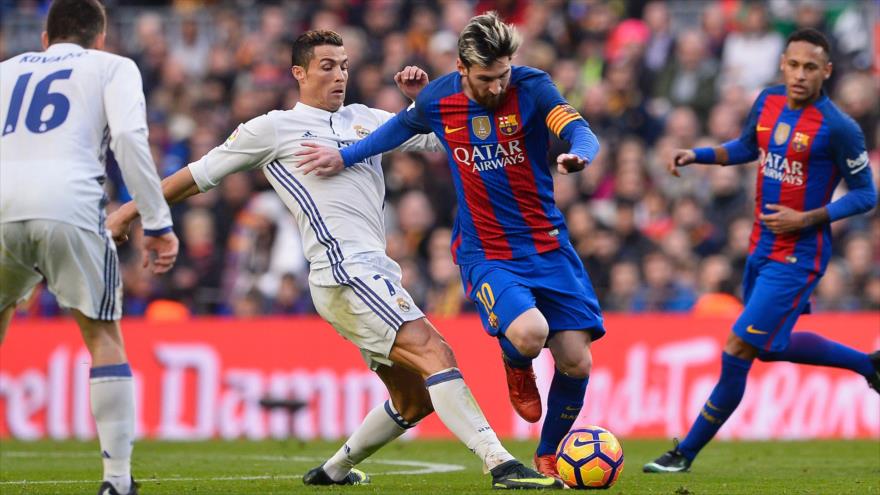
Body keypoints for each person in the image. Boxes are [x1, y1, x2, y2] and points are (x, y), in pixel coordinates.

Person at [107, 30, 562, 490]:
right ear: (298, 73)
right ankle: (500, 464)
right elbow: (197, 175)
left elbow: (444, 139)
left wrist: (422, 102)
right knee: (436, 353)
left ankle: (332, 472)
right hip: (343, 271)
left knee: (413, 400)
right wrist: (129, 212)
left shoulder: (366, 119)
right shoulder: (273, 128)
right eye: (327, 66)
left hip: (374, 272)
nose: (339, 74)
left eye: (343, 65)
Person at [297, 12, 604, 479]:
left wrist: (578, 152)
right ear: (461, 69)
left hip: (547, 245)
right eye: (486, 78)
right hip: (488, 251)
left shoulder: (533, 86)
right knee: (529, 332)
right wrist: (344, 156)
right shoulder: (440, 98)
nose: (497, 86)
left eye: (503, 74)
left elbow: (577, 126)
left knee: (577, 362)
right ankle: (515, 362)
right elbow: (396, 130)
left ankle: (548, 453)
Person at [643, 28, 879, 473]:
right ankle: (869, 365)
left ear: (826, 72)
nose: (800, 75)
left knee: (737, 348)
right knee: (771, 347)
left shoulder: (839, 128)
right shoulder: (768, 102)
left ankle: (683, 453)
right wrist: (699, 154)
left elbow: (867, 195)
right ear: (783, 64)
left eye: (811, 68)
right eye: (793, 65)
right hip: (760, 247)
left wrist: (807, 218)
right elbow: (749, 147)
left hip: (799, 256)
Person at [0, 1, 180, 494]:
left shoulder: (5, 71)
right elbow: (128, 136)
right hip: (71, 206)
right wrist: (158, 223)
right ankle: (117, 481)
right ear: (100, 37)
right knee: (101, 335)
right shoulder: (113, 66)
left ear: (44, 38)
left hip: (0, 206)